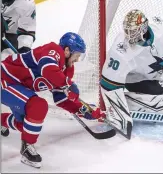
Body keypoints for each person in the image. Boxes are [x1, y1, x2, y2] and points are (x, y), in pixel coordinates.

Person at [1, 32, 105, 168]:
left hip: (18, 87)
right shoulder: (53, 50)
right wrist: (68, 84)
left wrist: (82, 109)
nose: (77, 59)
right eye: (77, 55)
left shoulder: (67, 70)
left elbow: (61, 99)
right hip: (5, 80)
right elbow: (48, 70)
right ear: (67, 50)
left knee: (27, 126)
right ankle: (26, 149)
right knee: (38, 106)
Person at [101, 9, 163, 95]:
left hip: (160, 70)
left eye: (133, 31)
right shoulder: (120, 49)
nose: (129, 35)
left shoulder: (161, 29)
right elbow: (108, 85)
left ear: (144, 27)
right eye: (127, 31)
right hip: (137, 79)